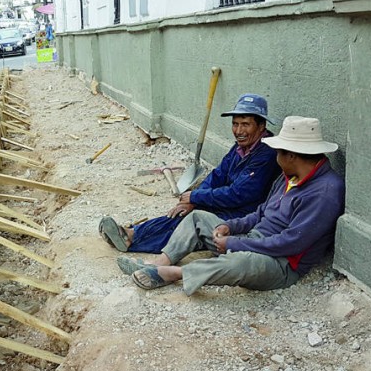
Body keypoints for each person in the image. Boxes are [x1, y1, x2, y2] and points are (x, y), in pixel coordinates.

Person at [117, 116, 345, 296]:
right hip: (256, 240)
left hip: (280, 263)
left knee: (242, 262)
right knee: (198, 218)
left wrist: (236, 243)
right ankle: (160, 263)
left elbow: (291, 243)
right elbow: (261, 213)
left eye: (278, 153)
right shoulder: (290, 175)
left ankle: (174, 274)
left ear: (292, 155)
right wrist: (230, 227)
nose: (275, 158)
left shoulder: (325, 192)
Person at [99, 94, 280, 253]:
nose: (239, 131)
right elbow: (217, 175)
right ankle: (132, 232)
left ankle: (133, 242)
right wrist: (193, 200)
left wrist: (196, 196)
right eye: (235, 124)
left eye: (245, 124)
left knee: (190, 225)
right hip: (229, 205)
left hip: (244, 215)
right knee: (180, 213)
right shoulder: (241, 147)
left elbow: (239, 194)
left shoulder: (267, 154)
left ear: (261, 125)